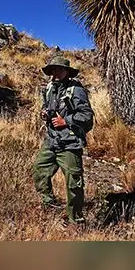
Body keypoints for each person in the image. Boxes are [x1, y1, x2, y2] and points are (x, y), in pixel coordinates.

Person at [33, 56, 94, 225]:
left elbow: (87, 116)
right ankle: (49, 204)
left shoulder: (76, 89)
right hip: (52, 141)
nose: (56, 72)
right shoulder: (50, 88)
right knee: (39, 170)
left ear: (67, 71)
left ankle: (76, 221)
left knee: (74, 185)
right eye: (53, 69)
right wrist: (44, 113)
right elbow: (47, 107)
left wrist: (65, 121)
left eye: (59, 69)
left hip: (70, 143)